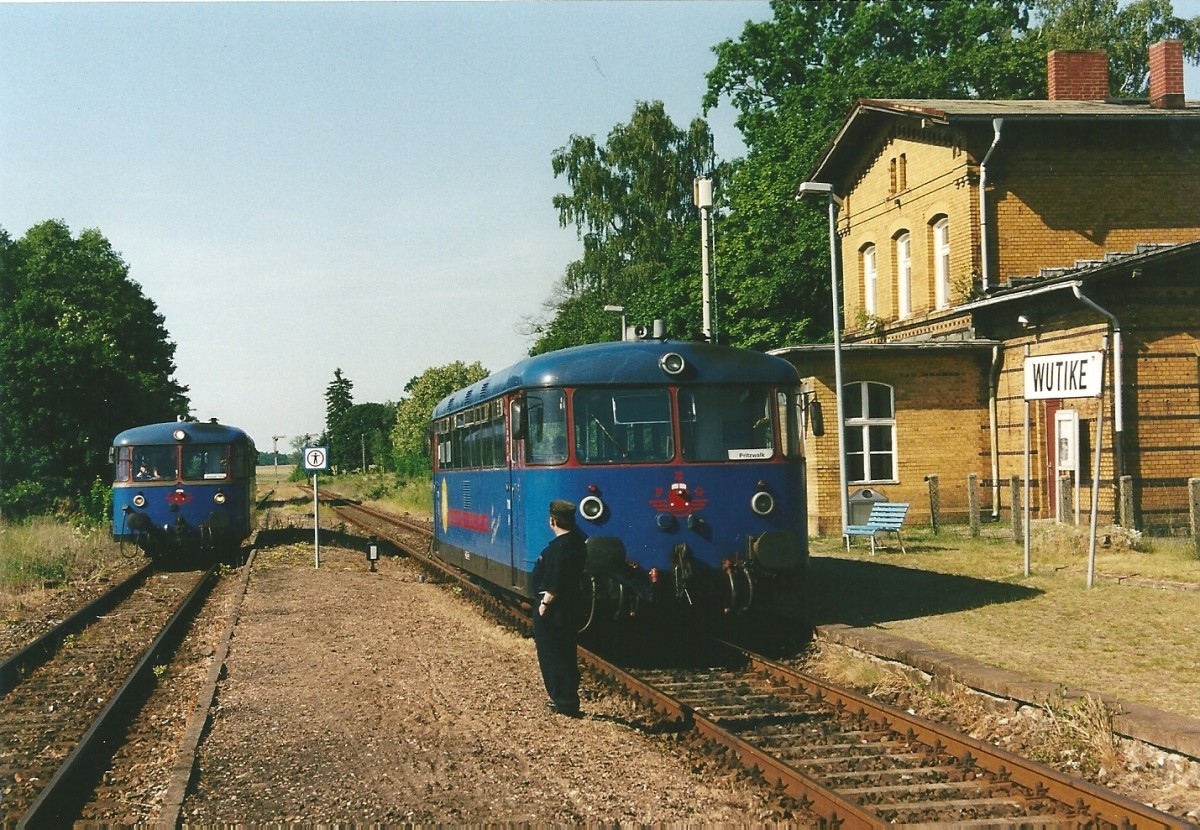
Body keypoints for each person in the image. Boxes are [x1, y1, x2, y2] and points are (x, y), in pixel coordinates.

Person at [531, 499, 588, 718]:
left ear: (552, 521)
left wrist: (544, 605)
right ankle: (568, 699)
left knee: (552, 654)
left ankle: (563, 701)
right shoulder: (576, 543)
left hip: (553, 609)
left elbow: (554, 581)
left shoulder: (558, 549)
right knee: (565, 652)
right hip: (570, 605)